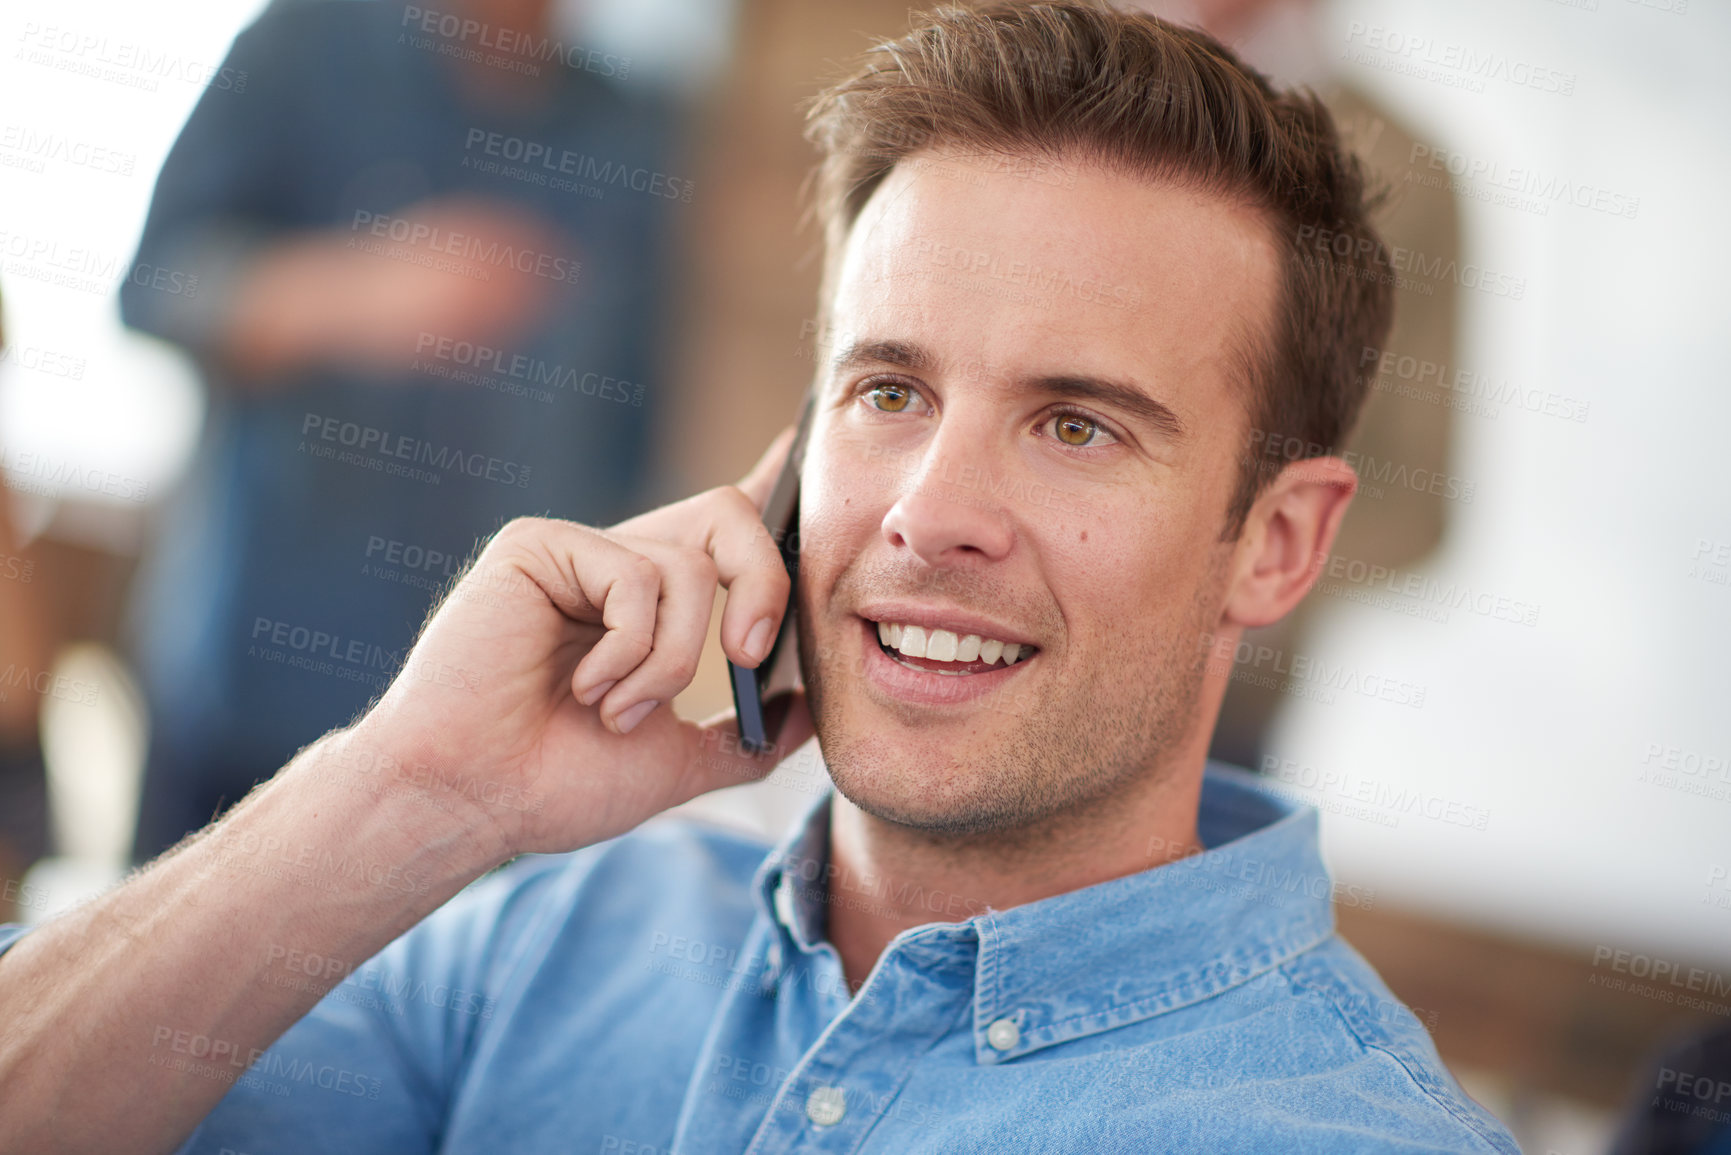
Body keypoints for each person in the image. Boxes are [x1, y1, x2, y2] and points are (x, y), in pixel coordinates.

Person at [0, 5, 1520, 1151]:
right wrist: (419, 786)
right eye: (888, 392)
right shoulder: (547, 939)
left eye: (1075, 423)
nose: (931, 514)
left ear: (1277, 542)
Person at [119, 0, 686, 860]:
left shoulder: (629, 131)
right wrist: (355, 291)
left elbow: (630, 425)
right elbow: (156, 288)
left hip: (489, 740)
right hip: (256, 689)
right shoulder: (301, 48)